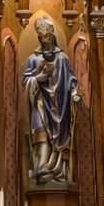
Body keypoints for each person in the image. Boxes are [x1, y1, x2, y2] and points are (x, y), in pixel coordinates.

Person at [22, 17, 81, 184]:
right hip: (40, 104)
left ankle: (59, 172)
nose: (46, 40)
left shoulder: (62, 58)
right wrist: (40, 76)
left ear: (53, 36)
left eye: (48, 36)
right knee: (41, 133)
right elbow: (26, 82)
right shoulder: (33, 59)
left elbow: (72, 81)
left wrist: (75, 94)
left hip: (60, 106)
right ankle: (42, 168)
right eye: (43, 37)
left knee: (61, 136)